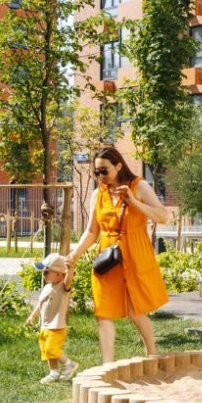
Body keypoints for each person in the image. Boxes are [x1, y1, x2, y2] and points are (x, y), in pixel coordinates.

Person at [66, 146, 170, 363]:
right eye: (97, 172)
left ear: (119, 165)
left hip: (135, 253)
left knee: (135, 310)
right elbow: (91, 231)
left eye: (104, 170)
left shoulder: (139, 186)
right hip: (108, 257)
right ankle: (107, 365)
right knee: (103, 312)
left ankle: (152, 355)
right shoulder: (98, 194)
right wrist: (74, 254)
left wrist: (134, 202)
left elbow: (162, 216)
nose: (100, 176)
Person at [26, 253, 79, 384]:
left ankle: (70, 364)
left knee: (51, 349)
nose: (43, 274)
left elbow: (69, 280)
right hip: (45, 326)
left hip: (57, 327)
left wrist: (70, 269)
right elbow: (40, 304)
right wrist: (32, 316)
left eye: (46, 272)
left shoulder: (63, 287)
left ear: (60, 274)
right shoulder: (47, 287)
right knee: (47, 351)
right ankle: (54, 373)